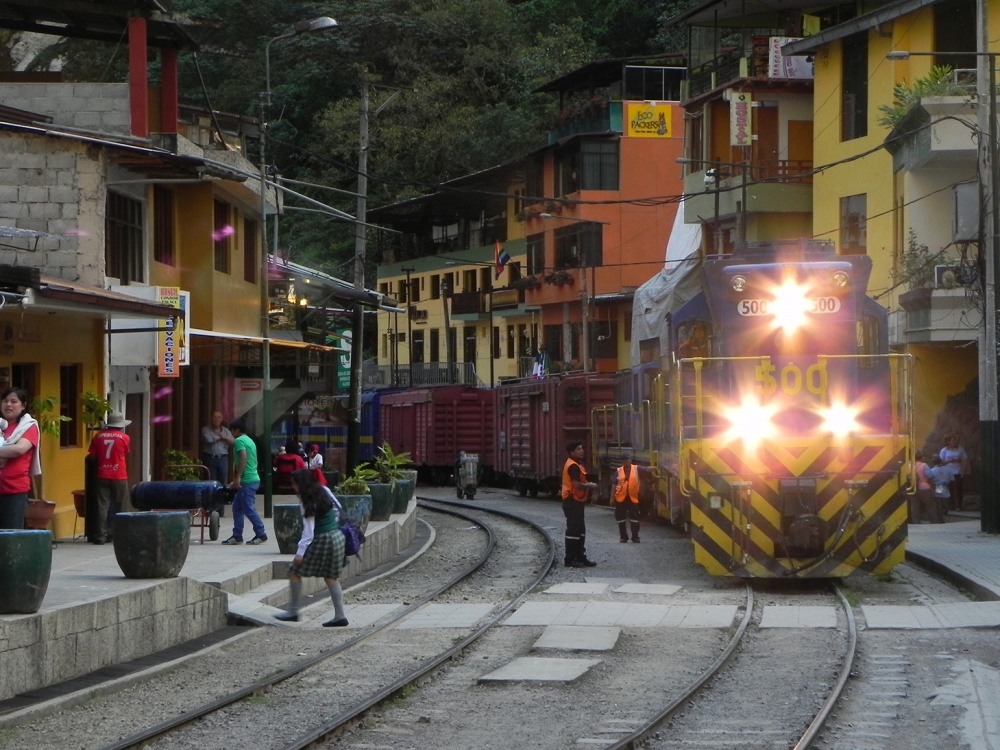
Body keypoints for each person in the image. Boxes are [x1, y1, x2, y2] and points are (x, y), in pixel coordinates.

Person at [274, 468, 348, 627]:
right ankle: (340, 615)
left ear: (301, 484)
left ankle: (293, 611)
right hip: (337, 536)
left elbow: (308, 532)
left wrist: (300, 553)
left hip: (323, 539)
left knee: (294, 571)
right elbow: (338, 508)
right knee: (331, 577)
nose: (294, 488)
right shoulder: (325, 490)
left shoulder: (307, 502)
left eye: (295, 485)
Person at [222, 418, 268, 545]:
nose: (231, 433)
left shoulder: (239, 441)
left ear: (237, 430)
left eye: (232, 430)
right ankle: (237, 535)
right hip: (253, 478)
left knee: (248, 508)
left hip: (247, 480)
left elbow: (243, 457)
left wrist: (238, 478)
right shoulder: (250, 440)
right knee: (237, 507)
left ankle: (261, 533)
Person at [87, 412, 131, 544]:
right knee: (121, 506)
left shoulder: (98, 436)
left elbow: (92, 456)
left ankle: (100, 536)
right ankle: (122, 535)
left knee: (102, 506)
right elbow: (125, 452)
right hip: (119, 475)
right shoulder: (124, 437)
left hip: (102, 475)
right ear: (120, 425)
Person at [0, 387, 40, 530]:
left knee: (10, 536)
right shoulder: (1, 426)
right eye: (5, 401)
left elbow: (19, 449)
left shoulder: (27, 427)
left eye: (13, 401)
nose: (8, 405)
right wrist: (5, 452)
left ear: (23, 406)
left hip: (14, 492)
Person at [561, 440, 598, 568]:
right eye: (578, 449)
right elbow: (576, 484)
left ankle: (580, 556)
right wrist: (590, 485)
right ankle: (570, 559)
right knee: (573, 530)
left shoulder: (576, 464)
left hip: (576, 500)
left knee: (580, 530)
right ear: (571, 452)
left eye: (582, 448)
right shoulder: (573, 466)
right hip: (572, 501)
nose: (582, 451)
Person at [613, 453, 642, 543]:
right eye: (624, 460)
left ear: (630, 460)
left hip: (632, 497)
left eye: (627, 459)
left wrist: (656, 467)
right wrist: (611, 498)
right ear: (622, 461)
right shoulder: (618, 471)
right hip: (621, 498)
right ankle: (623, 537)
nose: (626, 461)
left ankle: (635, 537)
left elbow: (647, 470)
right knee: (621, 518)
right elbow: (614, 485)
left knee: (635, 518)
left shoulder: (636, 468)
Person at [200, 410, 234, 486]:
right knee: (211, 481)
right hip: (210, 458)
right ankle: (212, 497)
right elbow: (208, 440)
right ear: (211, 418)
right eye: (214, 417)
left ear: (222, 419)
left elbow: (233, 442)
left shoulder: (226, 431)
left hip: (223, 458)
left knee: (222, 481)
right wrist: (219, 437)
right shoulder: (205, 429)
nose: (216, 419)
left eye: (219, 417)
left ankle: (221, 497)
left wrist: (225, 438)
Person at [938, 434, 968, 511]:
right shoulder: (944, 450)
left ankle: (959, 506)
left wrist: (963, 470)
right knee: (950, 489)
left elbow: (965, 460)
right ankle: (951, 505)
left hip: (958, 471)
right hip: (948, 472)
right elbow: (941, 462)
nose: (955, 442)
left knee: (959, 488)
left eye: (956, 440)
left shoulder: (960, 449)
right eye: (953, 440)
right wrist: (951, 460)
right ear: (948, 442)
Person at [912, 451, 943, 525]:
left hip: (912, 488)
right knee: (930, 506)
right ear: (921, 457)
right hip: (924, 488)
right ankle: (934, 521)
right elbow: (930, 475)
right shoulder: (924, 465)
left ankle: (916, 522)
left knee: (915, 507)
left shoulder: (910, 465)